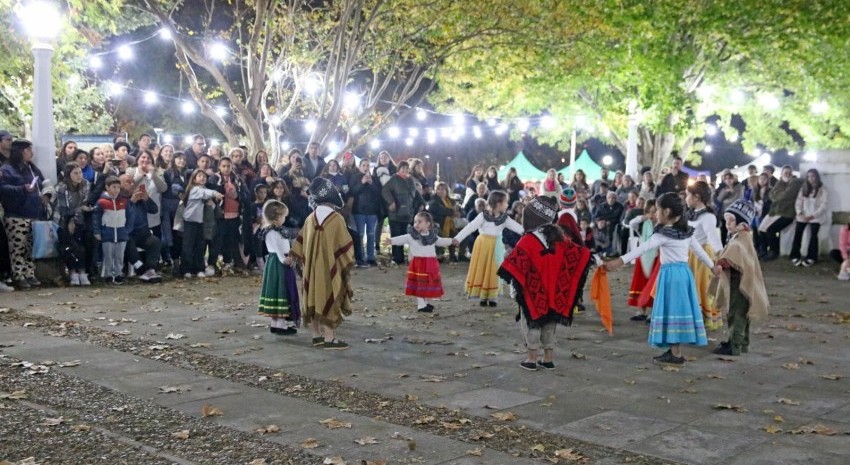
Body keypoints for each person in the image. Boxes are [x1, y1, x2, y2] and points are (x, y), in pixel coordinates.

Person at [605, 193, 717, 366]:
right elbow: (700, 253)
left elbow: (641, 249)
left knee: (670, 312)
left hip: (670, 276)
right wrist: (713, 267)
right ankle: (674, 350)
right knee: (677, 313)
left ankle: (676, 354)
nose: (655, 214)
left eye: (657, 210)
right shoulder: (686, 232)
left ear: (666, 211)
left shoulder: (663, 234)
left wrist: (620, 261)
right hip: (684, 274)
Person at [499, 196, 592, 371]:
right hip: (554, 291)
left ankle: (532, 358)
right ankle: (548, 358)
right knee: (550, 323)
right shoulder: (559, 238)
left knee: (531, 321)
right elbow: (580, 254)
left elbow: (515, 263)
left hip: (533, 291)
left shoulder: (527, 240)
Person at [290, 177, 355, 350]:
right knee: (329, 296)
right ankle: (329, 338)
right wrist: (347, 264)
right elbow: (346, 246)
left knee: (312, 296)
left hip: (310, 268)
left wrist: (294, 257)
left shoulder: (310, 218)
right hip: (329, 267)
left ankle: (316, 336)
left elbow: (300, 242)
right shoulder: (337, 219)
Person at [711, 200, 769, 356]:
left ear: (742, 224)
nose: (728, 223)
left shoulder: (741, 239)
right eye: (727, 219)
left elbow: (733, 256)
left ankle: (734, 345)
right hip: (742, 281)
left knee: (735, 313)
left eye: (732, 220)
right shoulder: (739, 237)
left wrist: (720, 263)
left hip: (739, 282)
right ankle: (742, 343)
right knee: (742, 314)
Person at [452, 191, 524, 306]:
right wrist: (458, 238)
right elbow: (470, 227)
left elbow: (519, 228)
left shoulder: (505, 218)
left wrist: (530, 233)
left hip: (496, 247)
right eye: (505, 202)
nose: (507, 205)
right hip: (482, 246)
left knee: (495, 270)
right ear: (498, 203)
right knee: (482, 268)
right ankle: (483, 295)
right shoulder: (482, 216)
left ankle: (492, 296)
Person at [0, 139, 48, 289]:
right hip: (16, 214)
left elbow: (43, 183)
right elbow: (3, 188)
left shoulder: (31, 168)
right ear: (21, 152)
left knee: (29, 247)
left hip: (32, 213)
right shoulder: (7, 169)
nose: (31, 153)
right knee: (17, 247)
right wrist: (22, 188)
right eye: (28, 150)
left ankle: (29, 272)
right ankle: (18, 274)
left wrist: (46, 195)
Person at [387, 211, 453, 313]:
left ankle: (424, 302)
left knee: (426, 284)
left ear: (428, 224)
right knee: (420, 284)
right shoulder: (412, 236)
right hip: (419, 264)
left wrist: (451, 241)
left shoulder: (432, 236)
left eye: (419, 221)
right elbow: (402, 239)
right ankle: (421, 305)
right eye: (415, 222)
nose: (416, 224)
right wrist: (391, 240)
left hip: (430, 263)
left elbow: (440, 241)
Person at [258, 200, 301, 335]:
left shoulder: (279, 231)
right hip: (278, 264)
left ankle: (277, 323)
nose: (285, 219)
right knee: (280, 290)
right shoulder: (271, 232)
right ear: (276, 216)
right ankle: (279, 324)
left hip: (282, 262)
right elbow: (276, 249)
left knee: (282, 290)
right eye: (283, 216)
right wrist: (284, 259)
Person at [686, 181, 723, 330]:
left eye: (688, 195)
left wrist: (720, 259)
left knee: (700, 288)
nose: (686, 198)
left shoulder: (708, 217)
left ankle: (699, 320)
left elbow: (713, 238)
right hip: (688, 254)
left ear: (697, 197)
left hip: (701, 257)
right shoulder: (690, 213)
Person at [180, 169, 224, 278]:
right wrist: (215, 193)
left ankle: (198, 268)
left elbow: (210, 202)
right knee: (188, 246)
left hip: (200, 222)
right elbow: (205, 193)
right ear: (194, 179)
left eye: (204, 176)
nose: (202, 178)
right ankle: (186, 269)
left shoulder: (204, 189)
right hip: (190, 221)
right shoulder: (194, 189)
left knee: (199, 246)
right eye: (199, 176)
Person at [207, 157, 247, 274]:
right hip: (220, 215)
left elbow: (244, 194)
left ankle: (228, 262)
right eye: (223, 166)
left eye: (228, 166)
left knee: (232, 240)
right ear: (219, 166)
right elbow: (211, 193)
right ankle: (212, 263)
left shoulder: (237, 179)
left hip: (234, 215)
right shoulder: (214, 178)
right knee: (217, 240)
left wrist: (236, 195)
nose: (226, 168)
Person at [119, 174, 162, 282]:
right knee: (129, 243)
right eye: (128, 182)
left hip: (143, 233)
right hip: (128, 233)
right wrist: (131, 202)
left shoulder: (140, 197)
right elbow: (120, 216)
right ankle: (141, 269)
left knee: (155, 241)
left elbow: (154, 210)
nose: (132, 184)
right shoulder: (119, 199)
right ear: (120, 185)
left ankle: (150, 269)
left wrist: (147, 199)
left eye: (133, 182)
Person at [55, 162, 93, 285]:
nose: (79, 175)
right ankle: (73, 272)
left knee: (82, 246)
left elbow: (85, 203)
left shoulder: (86, 184)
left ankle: (82, 271)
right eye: (75, 173)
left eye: (80, 172)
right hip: (63, 221)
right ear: (68, 174)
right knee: (70, 246)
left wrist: (79, 213)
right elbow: (64, 210)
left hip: (80, 220)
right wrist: (77, 213)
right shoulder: (62, 188)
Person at [382, 160, 424, 265]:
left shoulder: (410, 180)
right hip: (395, 213)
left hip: (407, 213)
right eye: (403, 168)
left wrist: (422, 203)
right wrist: (391, 202)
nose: (405, 170)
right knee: (396, 236)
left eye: (406, 168)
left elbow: (416, 194)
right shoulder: (394, 179)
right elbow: (385, 191)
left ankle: (404, 257)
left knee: (404, 235)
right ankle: (397, 258)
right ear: (399, 168)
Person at [759, 166, 802, 261]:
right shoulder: (779, 183)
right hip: (774, 211)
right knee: (761, 229)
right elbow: (771, 195)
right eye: (785, 172)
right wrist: (779, 195)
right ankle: (763, 250)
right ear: (781, 173)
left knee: (771, 230)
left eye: (788, 172)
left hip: (787, 213)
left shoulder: (795, 183)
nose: (787, 174)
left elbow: (787, 195)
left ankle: (774, 251)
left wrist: (778, 196)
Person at [626, 199, 658, 322]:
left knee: (654, 285)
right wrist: (642, 218)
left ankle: (653, 312)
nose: (652, 215)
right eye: (649, 212)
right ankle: (641, 311)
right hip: (643, 258)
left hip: (656, 258)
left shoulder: (661, 226)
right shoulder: (642, 224)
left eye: (655, 212)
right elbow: (631, 223)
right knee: (641, 284)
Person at [789, 168, 828, 267]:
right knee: (798, 234)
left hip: (815, 217)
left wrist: (813, 215)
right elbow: (798, 202)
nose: (811, 178)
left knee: (813, 236)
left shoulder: (823, 189)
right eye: (809, 176)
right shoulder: (803, 188)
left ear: (817, 177)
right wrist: (800, 213)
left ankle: (811, 257)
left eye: (813, 176)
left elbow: (823, 205)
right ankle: (795, 255)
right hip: (803, 215)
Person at [93, 176, 128, 284]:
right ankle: (107, 275)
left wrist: (127, 229)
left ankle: (118, 274)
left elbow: (130, 216)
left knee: (119, 256)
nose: (116, 190)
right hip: (107, 233)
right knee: (108, 255)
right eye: (114, 187)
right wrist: (97, 231)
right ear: (107, 187)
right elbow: (96, 218)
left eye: (118, 187)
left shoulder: (124, 201)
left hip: (121, 232)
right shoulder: (101, 202)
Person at [350, 158, 380, 267]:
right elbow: (353, 192)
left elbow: (378, 193)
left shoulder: (375, 179)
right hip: (359, 211)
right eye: (364, 165)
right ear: (360, 167)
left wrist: (371, 183)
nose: (366, 167)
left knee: (371, 234)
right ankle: (361, 257)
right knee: (360, 235)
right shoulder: (355, 178)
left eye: (367, 165)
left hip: (372, 211)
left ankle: (371, 257)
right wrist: (362, 183)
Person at [428, 182, 459, 262]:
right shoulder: (433, 200)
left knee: (457, 233)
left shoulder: (451, 201)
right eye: (438, 189)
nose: (440, 191)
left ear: (446, 191)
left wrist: (460, 213)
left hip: (450, 224)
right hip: (437, 224)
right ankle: (439, 255)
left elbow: (460, 211)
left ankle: (454, 255)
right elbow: (441, 210)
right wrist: (452, 212)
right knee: (439, 233)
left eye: (442, 189)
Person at [712, 171, 744, 244]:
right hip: (724, 214)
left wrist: (725, 201)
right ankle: (724, 248)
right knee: (724, 231)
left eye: (730, 178)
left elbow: (737, 199)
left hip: (735, 214)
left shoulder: (739, 187)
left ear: (733, 179)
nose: (728, 180)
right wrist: (725, 192)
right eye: (726, 179)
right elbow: (718, 200)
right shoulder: (723, 189)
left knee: (734, 232)